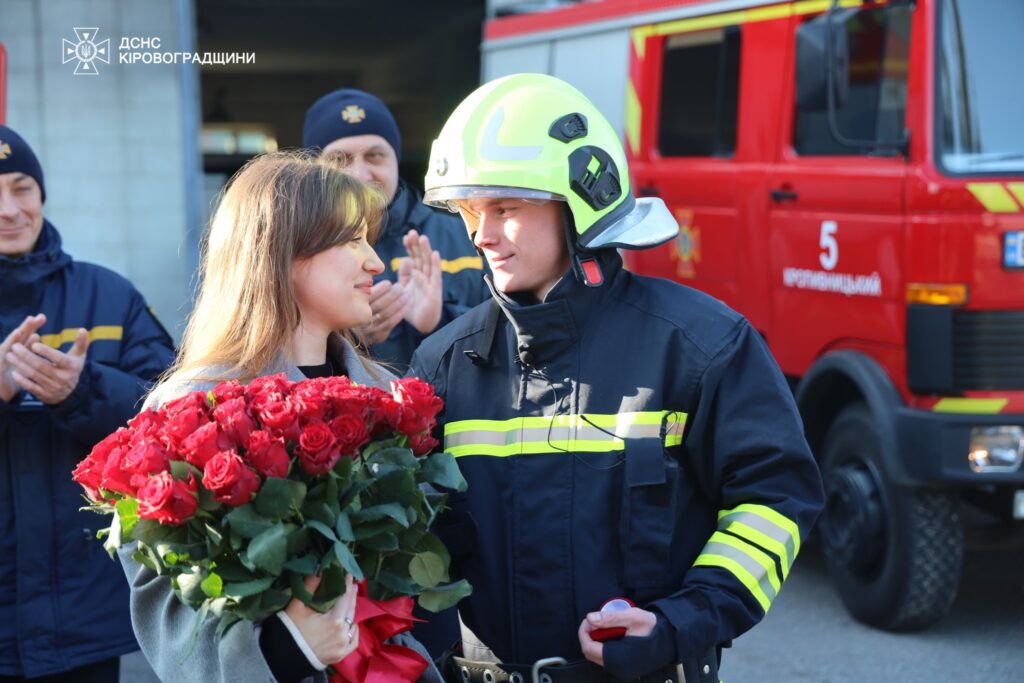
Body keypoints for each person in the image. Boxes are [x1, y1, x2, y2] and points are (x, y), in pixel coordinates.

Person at [409, 74, 826, 683]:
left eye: (506, 208)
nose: (481, 234)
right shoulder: (443, 364)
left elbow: (775, 501)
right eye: (471, 211)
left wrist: (679, 623)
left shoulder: (701, 346)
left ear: (583, 201)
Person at [120, 151, 443, 683]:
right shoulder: (191, 405)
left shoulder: (384, 394)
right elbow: (163, 597)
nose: (374, 262)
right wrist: (283, 649)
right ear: (280, 252)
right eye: (351, 240)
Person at [0, 124, 176, 681]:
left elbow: (173, 415)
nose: (9, 210)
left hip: (83, 609)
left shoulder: (108, 295)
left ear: (43, 193)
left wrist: (84, 391)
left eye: (23, 188)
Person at [302, 88, 489, 373]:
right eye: (340, 159)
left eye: (375, 156)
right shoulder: (298, 247)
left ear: (396, 160)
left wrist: (439, 322)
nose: (360, 174)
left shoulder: (470, 234)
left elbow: (509, 339)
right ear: (313, 171)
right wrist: (342, 338)